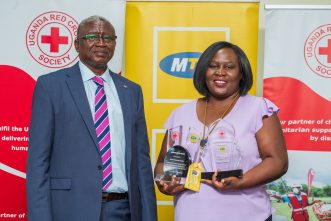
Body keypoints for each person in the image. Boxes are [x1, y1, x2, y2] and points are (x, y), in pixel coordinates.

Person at [26, 15, 157, 221]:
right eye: (92, 36)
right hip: (69, 209)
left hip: (122, 209)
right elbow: (38, 162)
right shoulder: (50, 86)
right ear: (77, 44)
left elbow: (141, 161)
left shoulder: (131, 91)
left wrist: (149, 215)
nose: (101, 43)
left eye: (108, 38)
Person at [154, 41, 288, 221]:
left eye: (229, 67)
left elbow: (278, 162)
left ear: (241, 73)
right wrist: (165, 183)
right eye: (213, 66)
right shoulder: (180, 113)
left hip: (248, 215)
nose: (220, 72)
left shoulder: (259, 108)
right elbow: (163, 164)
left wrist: (241, 182)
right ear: (204, 71)